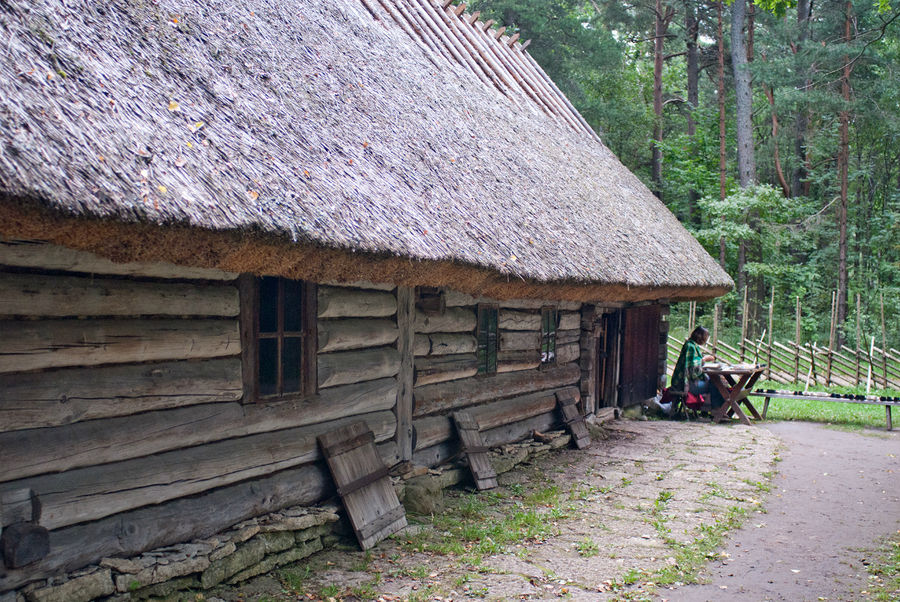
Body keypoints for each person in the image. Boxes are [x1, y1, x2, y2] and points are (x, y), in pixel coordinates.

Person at [670, 326, 724, 409]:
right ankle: (717, 410)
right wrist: (704, 359)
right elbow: (692, 370)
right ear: (700, 337)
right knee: (716, 384)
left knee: (718, 382)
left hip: (688, 382)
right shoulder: (690, 347)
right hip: (685, 384)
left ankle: (718, 410)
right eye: (705, 337)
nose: (706, 340)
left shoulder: (692, 345)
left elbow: (695, 362)